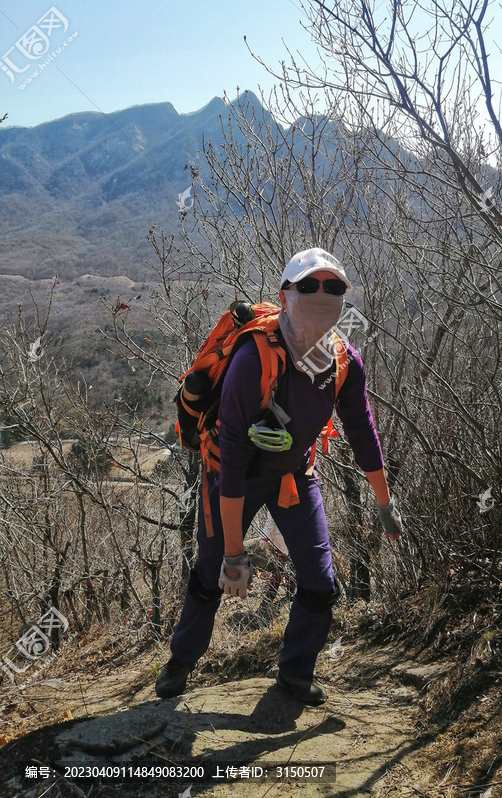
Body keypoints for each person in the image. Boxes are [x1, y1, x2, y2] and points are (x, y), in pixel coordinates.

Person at [155, 247, 402, 705]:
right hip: (233, 477)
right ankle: (181, 662)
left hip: (293, 474)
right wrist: (234, 554)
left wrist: (383, 502)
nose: (322, 294)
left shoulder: (343, 361)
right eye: (309, 286)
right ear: (285, 295)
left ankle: (295, 672)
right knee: (211, 572)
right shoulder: (255, 362)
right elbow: (229, 458)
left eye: (334, 287)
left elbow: (362, 429)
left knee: (320, 579)